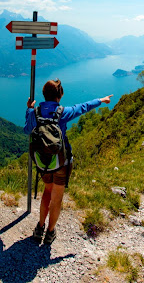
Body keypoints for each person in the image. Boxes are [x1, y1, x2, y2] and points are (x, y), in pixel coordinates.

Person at [24, 79, 112, 245]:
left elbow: (27, 130)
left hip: (43, 162)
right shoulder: (62, 112)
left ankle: (39, 228)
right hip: (61, 162)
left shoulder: (35, 112)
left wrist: (29, 109)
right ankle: (50, 233)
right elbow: (83, 107)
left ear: (44, 94)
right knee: (56, 198)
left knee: (47, 192)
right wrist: (101, 100)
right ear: (60, 96)